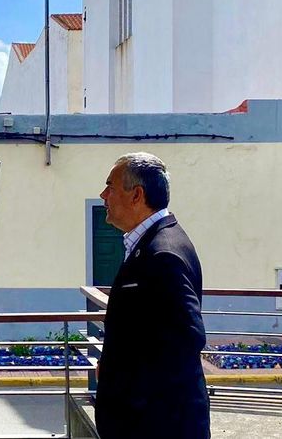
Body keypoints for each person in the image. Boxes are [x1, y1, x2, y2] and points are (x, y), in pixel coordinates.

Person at [94, 152, 210, 438]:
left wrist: (125, 383)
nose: (103, 195)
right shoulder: (152, 242)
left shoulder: (163, 252)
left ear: (137, 195)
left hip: (157, 426)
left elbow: (187, 338)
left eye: (110, 186)